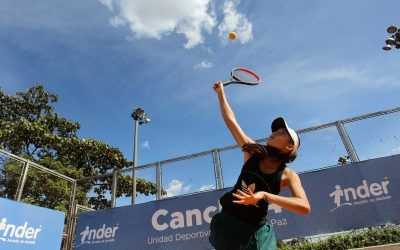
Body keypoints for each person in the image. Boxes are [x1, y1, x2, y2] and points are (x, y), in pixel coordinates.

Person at [209, 82, 311, 250]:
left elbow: (304, 207)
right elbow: (231, 121)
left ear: (289, 147)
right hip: (228, 224)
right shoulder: (253, 151)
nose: (275, 131)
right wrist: (221, 93)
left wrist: (264, 195)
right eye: (276, 130)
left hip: (257, 231)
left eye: (283, 132)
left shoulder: (288, 175)